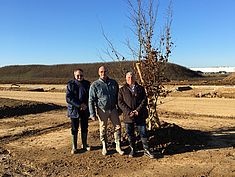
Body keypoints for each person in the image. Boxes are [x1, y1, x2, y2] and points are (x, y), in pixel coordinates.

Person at [89, 66, 124, 156]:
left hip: (113, 109)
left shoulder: (113, 83)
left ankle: (118, 145)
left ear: (107, 72)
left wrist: (119, 109)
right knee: (103, 128)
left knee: (118, 127)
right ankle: (104, 146)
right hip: (102, 110)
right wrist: (92, 113)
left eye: (104, 71)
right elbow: (91, 100)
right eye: (101, 72)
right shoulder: (95, 85)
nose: (103, 73)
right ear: (98, 73)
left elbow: (118, 97)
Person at [118, 71, 154, 158]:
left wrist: (137, 110)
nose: (130, 79)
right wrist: (129, 111)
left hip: (140, 114)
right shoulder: (122, 90)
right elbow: (120, 102)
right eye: (128, 77)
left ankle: (146, 150)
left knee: (143, 132)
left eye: (132, 77)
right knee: (130, 133)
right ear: (126, 79)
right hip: (128, 115)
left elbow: (144, 100)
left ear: (135, 78)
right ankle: (133, 150)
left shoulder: (141, 88)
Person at [66, 68, 91, 154]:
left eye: (81, 75)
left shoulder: (87, 84)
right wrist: (79, 105)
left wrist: (86, 106)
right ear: (74, 75)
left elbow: (89, 97)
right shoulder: (70, 84)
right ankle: (74, 146)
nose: (79, 77)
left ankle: (84, 144)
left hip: (85, 110)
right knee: (74, 128)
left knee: (84, 127)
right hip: (74, 110)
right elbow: (69, 98)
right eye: (78, 75)